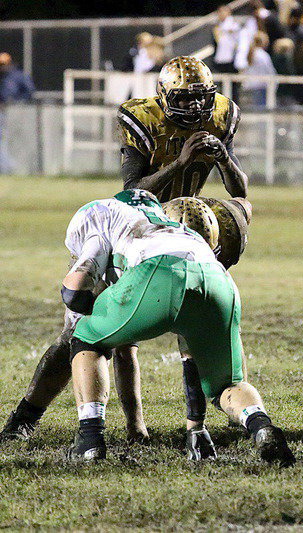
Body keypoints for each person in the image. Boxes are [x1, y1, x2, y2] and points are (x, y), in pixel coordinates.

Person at [0, 56, 249, 460]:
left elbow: (240, 190)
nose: (196, 109)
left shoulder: (222, 116)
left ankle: (175, 426)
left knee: (195, 331)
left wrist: (223, 158)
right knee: (80, 336)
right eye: (185, 99)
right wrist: (182, 162)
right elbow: (132, 188)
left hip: (189, 227)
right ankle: (25, 418)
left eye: (202, 98)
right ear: (165, 96)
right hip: (135, 226)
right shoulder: (141, 118)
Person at [60, 189, 294, 466]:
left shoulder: (101, 215)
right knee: (228, 385)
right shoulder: (180, 230)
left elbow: (74, 291)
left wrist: (96, 305)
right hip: (219, 282)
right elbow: (189, 352)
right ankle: (261, 426)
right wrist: (195, 427)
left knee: (87, 338)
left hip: (157, 274)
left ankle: (90, 440)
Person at [0, 52, 35, 174]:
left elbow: (29, 91)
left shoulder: (18, 76)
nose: (2, 67)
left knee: (14, 142)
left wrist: (18, 103)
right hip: (3, 112)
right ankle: (7, 168)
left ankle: (13, 168)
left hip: (17, 113)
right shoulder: (2, 77)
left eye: (3, 64)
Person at [242, 32, 277, 107]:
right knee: (260, 111)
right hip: (260, 86)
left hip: (251, 85)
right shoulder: (262, 55)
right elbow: (269, 71)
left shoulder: (252, 53)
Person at [213, 6, 241, 73]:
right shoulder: (218, 26)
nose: (221, 14)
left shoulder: (234, 24)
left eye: (223, 11)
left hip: (231, 57)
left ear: (229, 12)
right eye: (219, 12)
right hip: (221, 58)